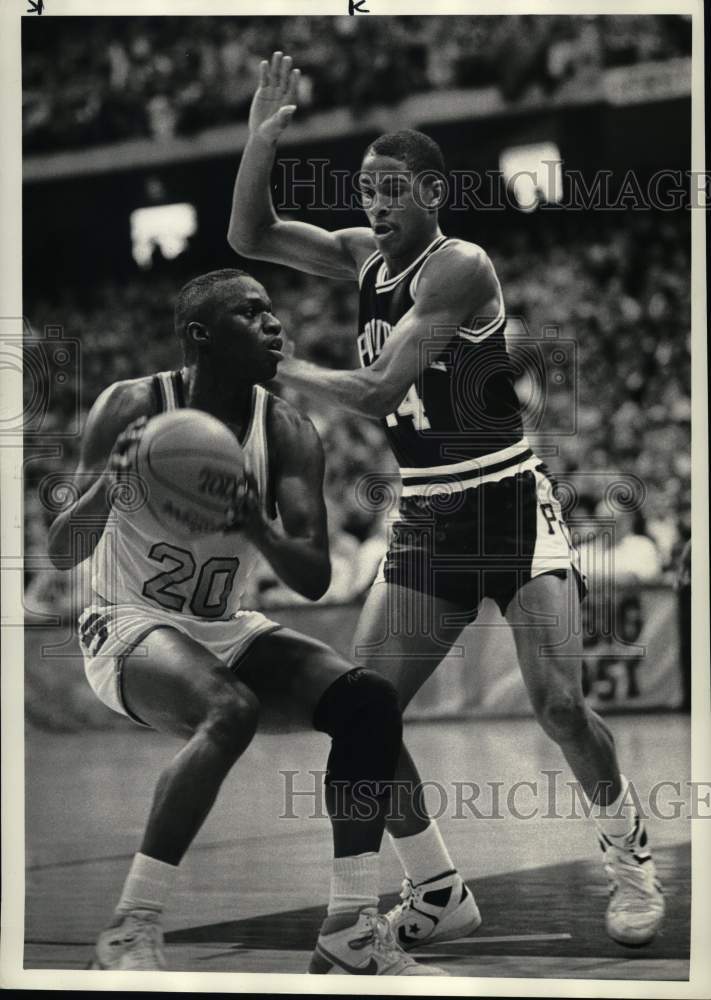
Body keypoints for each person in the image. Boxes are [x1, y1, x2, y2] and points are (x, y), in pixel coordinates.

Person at [228, 52, 665, 949]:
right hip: (428, 515)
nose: (374, 206)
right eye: (364, 191)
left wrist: (277, 366)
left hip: (505, 503)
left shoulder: (457, 265)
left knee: (556, 704)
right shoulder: (358, 257)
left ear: (432, 193)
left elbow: (383, 388)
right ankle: (434, 886)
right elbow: (250, 236)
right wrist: (259, 141)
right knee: (361, 710)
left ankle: (629, 863)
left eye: (391, 190)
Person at [47, 268, 446, 977]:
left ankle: (349, 927)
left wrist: (256, 528)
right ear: (200, 335)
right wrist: (110, 483)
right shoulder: (131, 405)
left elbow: (313, 577)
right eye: (249, 313)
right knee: (230, 709)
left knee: (367, 702)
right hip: (124, 621)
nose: (274, 324)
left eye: (273, 312)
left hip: (224, 623)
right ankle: (131, 926)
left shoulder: (288, 432)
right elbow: (60, 550)